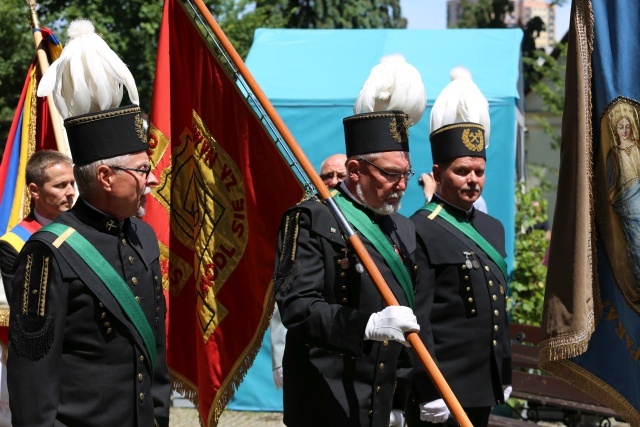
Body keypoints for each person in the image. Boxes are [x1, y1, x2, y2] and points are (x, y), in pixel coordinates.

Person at [7, 19, 171, 426]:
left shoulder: (144, 237)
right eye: (141, 170)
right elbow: (32, 375)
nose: (153, 179)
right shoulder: (49, 253)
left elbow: (155, 358)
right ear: (104, 177)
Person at [273, 54, 426, 427]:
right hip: (325, 403)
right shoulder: (310, 219)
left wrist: (401, 398)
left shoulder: (404, 229)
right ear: (354, 171)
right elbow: (298, 307)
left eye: (407, 173)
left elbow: (412, 325)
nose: (402, 185)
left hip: (381, 404)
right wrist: (365, 325)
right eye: (391, 174)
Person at [407, 72, 512, 427]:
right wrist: (427, 388)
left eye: (479, 172)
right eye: (462, 170)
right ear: (437, 172)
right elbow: (418, 319)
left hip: (484, 384)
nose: (473, 180)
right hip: (444, 387)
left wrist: (504, 372)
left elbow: (500, 308)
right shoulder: (419, 227)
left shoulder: (492, 229)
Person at [270, 152, 347, 390]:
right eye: (327, 176)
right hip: (312, 353)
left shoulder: (369, 223)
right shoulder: (304, 220)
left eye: (340, 175)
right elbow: (287, 296)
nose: (333, 181)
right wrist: (279, 357)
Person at [0, 150, 75, 300]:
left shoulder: (86, 226)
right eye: (60, 185)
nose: (71, 192)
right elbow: (24, 306)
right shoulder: (15, 243)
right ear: (35, 191)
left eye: (72, 183)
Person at [605, 101, 640, 284]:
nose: (624, 130)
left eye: (627, 126)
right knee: (635, 245)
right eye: (620, 127)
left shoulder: (637, 149)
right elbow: (610, 182)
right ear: (615, 129)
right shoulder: (614, 154)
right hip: (626, 204)